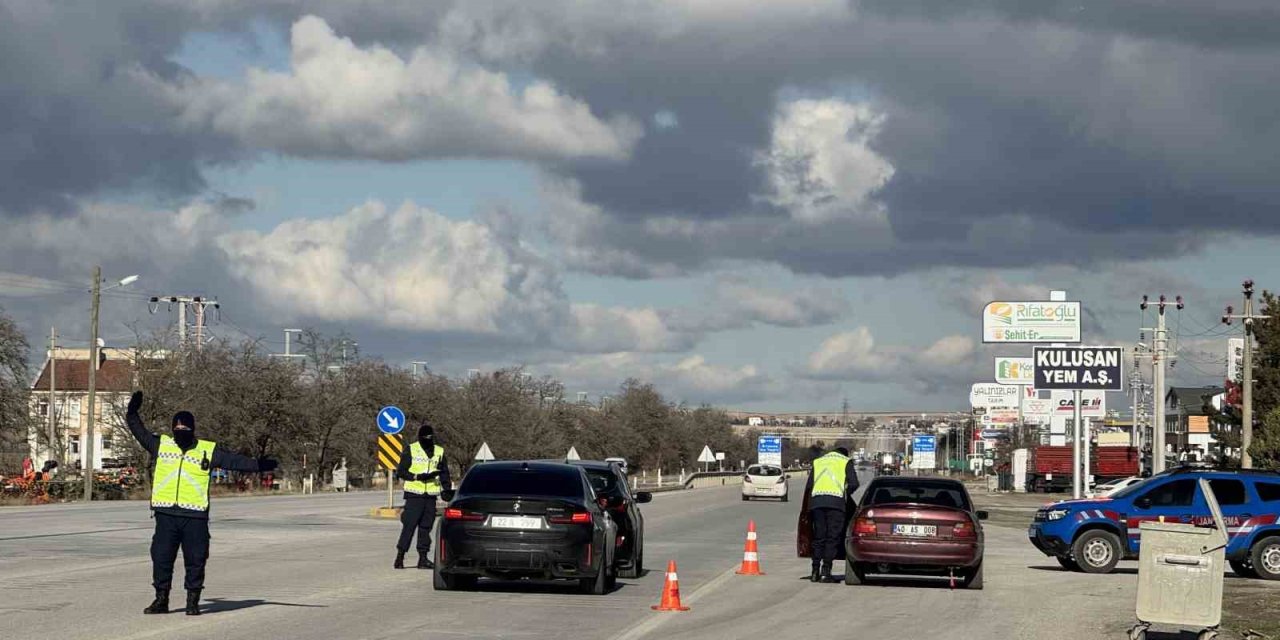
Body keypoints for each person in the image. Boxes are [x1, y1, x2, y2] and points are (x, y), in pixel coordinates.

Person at [125, 391, 277, 616]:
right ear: (172, 429)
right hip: (165, 514)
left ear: (192, 430)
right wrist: (132, 412)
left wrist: (259, 465)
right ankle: (161, 599)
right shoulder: (161, 445)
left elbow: (235, 461)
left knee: (196, 559)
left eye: (184, 430)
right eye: (177, 430)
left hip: (195, 516)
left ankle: (192, 600)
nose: (180, 434)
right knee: (161, 558)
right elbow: (139, 432)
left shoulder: (208, 449)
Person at [393, 422, 453, 570]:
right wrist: (417, 477)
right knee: (409, 526)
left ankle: (423, 558)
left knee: (426, 528)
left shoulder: (439, 451)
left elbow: (444, 472)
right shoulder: (411, 449)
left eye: (430, 437)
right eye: (425, 437)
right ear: (420, 437)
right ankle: (400, 556)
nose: (428, 439)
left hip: (431, 495)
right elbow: (401, 471)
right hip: (414, 494)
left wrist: (446, 489)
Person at [804, 446, 859, 583]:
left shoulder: (818, 461)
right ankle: (826, 572)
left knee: (819, 538)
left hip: (817, 503)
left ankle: (815, 571)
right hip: (836, 503)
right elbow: (854, 484)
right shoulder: (846, 461)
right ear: (844, 454)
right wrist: (845, 493)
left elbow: (810, 485)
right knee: (832, 538)